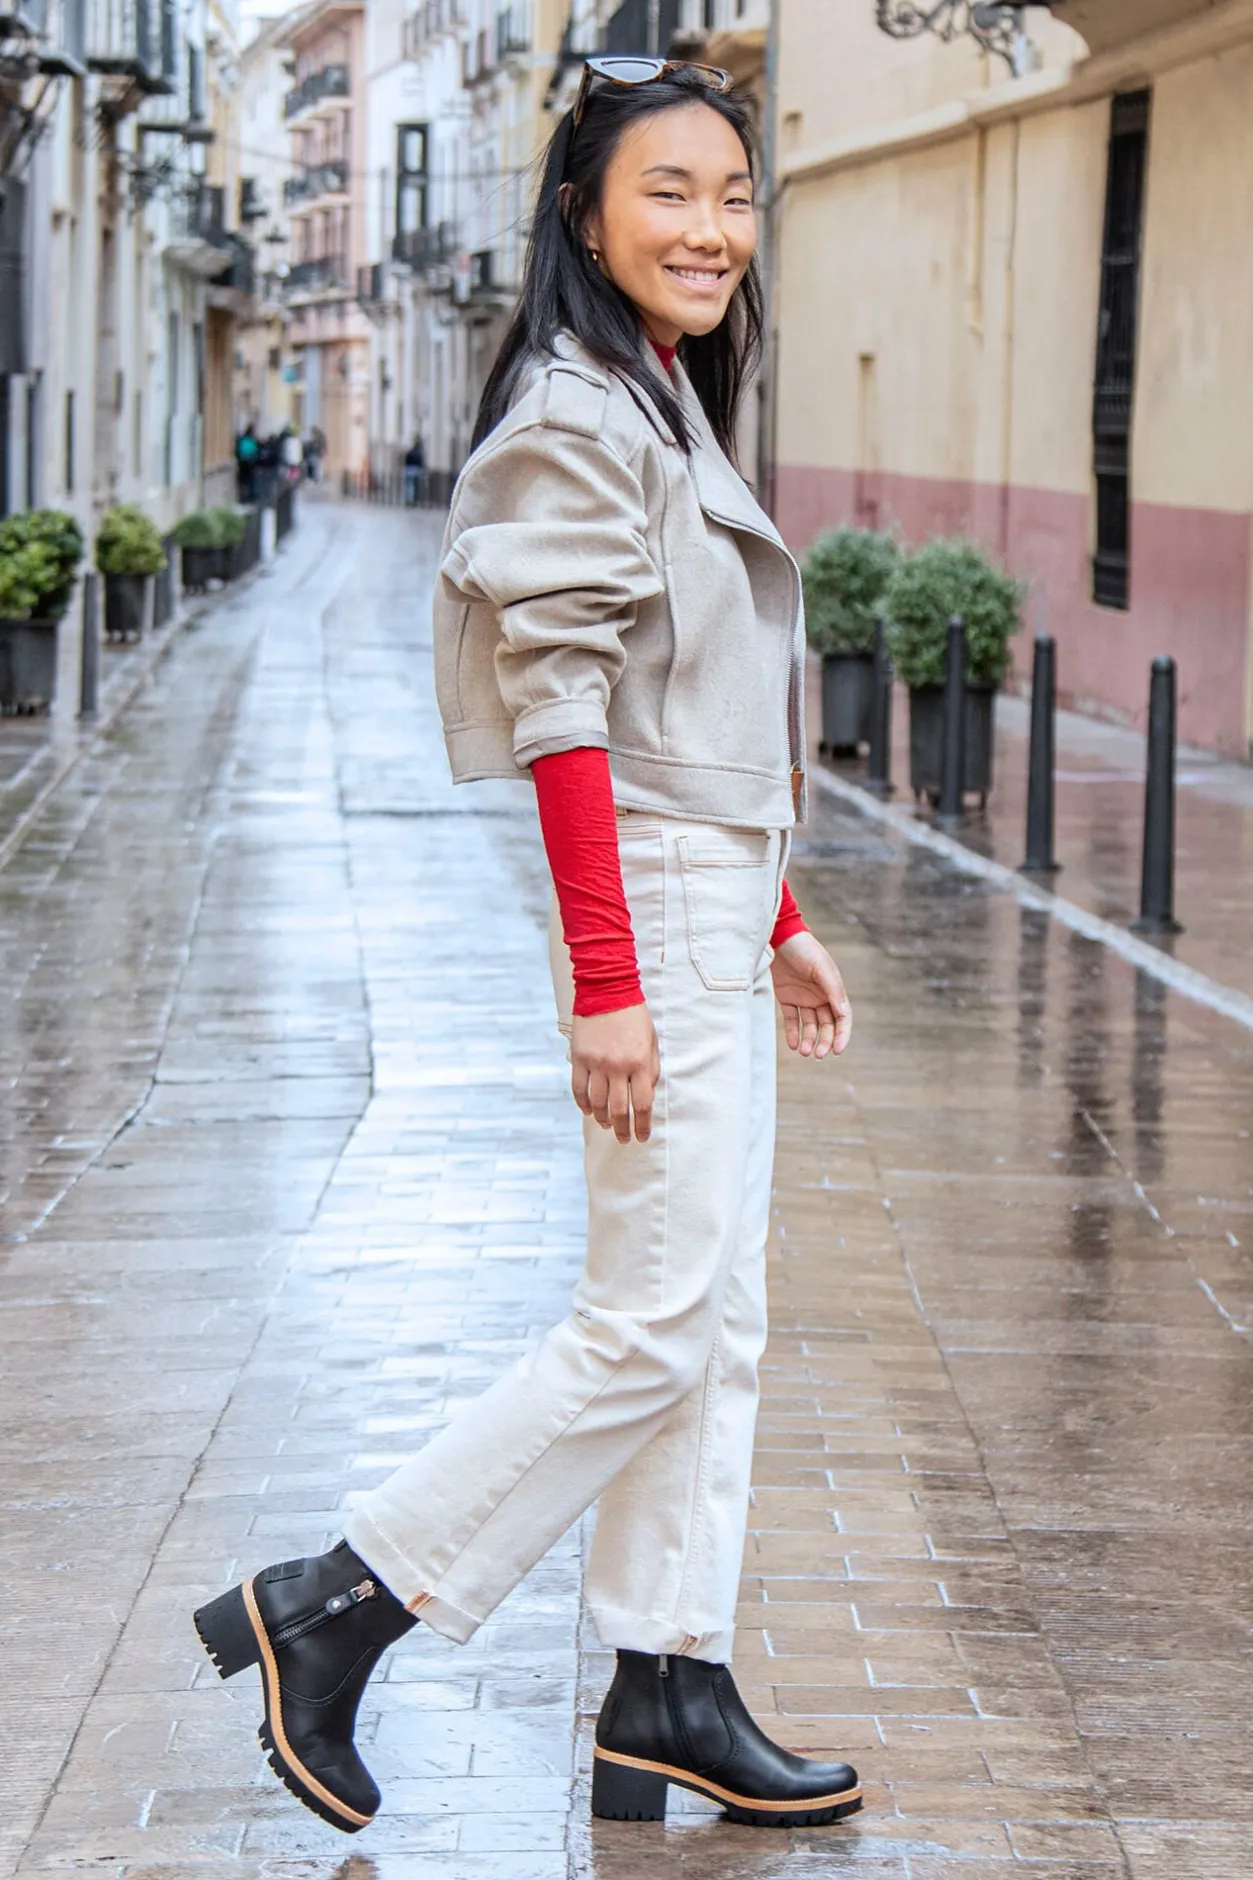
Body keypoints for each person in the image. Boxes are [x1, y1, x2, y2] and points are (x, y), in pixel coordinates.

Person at [193, 57, 860, 1839]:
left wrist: (781, 917)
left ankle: (667, 1682)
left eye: (732, 195)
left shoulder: (656, 394)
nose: (712, 228)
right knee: (645, 1322)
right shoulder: (576, 410)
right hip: (647, 902)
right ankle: (337, 1607)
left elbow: (683, 701)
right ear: (581, 212)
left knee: (711, 1319)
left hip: (707, 892)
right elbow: (567, 714)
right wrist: (609, 982)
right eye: (669, 193)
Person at [235, 424, 259, 503]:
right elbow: (255, 452)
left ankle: (242, 496)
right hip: (250, 463)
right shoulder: (252, 441)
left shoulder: (242, 440)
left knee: (243, 481)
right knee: (251, 481)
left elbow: (239, 451)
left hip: (242, 463)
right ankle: (249, 497)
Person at [403, 433, 425, 506]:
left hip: (409, 469)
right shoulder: (419, 453)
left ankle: (409, 500)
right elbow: (421, 462)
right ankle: (415, 500)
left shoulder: (410, 452)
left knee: (409, 486)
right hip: (416, 470)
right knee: (416, 486)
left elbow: (406, 460)